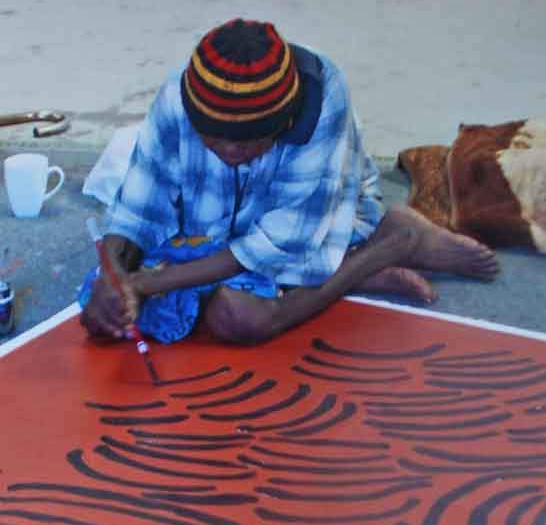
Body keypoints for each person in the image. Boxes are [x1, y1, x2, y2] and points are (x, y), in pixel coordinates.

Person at [80, 18, 498, 345]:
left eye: (249, 142)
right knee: (100, 308)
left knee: (242, 320)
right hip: (208, 232)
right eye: (213, 139)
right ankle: (357, 270)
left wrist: (144, 283)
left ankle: (388, 246)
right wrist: (115, 278)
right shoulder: (178, 99)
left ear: (281, 123)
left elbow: (282, 241)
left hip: (306, 227)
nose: (229, 152)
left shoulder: (321, 100)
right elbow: (138, 210)